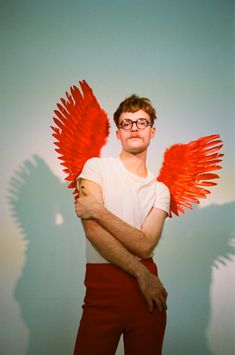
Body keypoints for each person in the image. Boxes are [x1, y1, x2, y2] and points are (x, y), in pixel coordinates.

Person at [73, 94, 170, 355]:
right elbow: (93, 232)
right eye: (127, 123)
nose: (134, 128)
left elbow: (145, 243)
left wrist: (98, 210)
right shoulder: (95, 168)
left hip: (148, 297)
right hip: (106, 290)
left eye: (141, 122)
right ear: (118, 134)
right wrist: (141, 274)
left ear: (152, 131)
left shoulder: (161, 190)